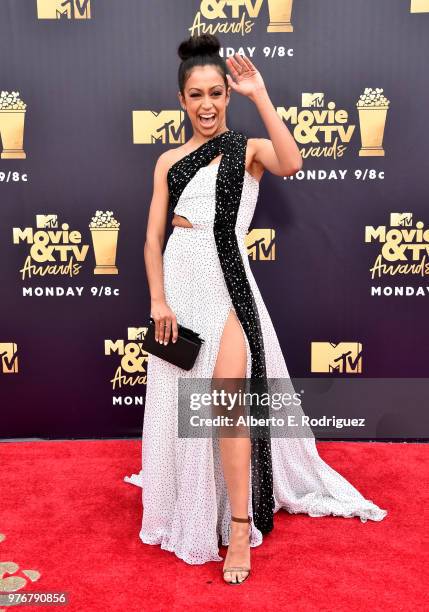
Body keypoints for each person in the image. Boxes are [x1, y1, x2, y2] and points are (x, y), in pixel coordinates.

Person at [124, 33, 387, 585]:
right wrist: (157, 300)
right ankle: (196, 501)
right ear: (181, 100)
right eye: (196, 95)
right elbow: (151, 239)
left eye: (217, 93)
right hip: (179, 288)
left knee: (226, 405)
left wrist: (260, 93)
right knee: (186, 409)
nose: (207, 105)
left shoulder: (245, 149)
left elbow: (290, 161)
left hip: (229, 290)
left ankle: (240, 526)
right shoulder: (168, 161)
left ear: (227, 94)